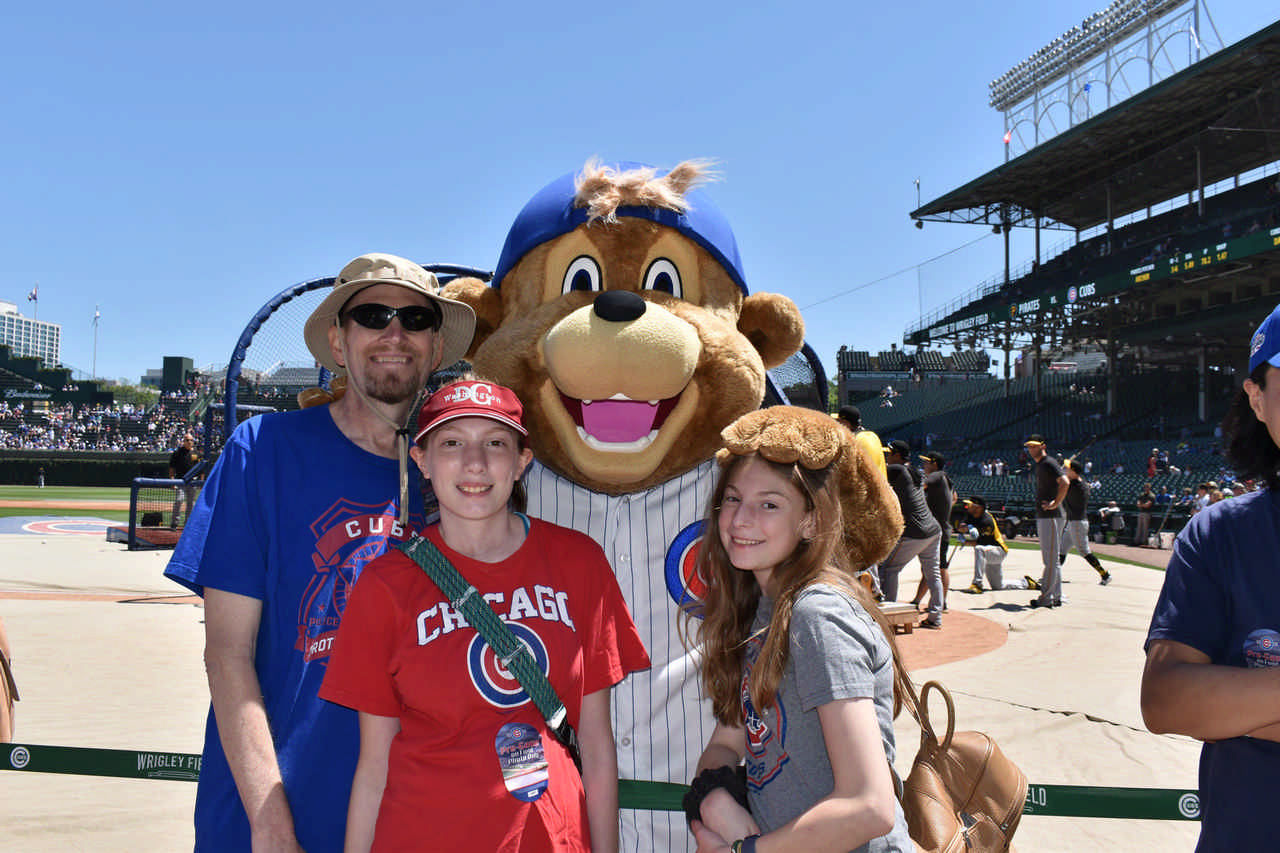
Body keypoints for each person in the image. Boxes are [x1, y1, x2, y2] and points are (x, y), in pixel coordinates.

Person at [163, 253, 476, 852]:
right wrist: (271, 820)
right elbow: (228, 653)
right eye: (372, 315)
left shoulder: (461, 479)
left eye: (413, 318)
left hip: (411, 822)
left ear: (436, 349)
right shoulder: (263, 451)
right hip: (271, 823)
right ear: (338, 342)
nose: (394, 333)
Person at [320, 380, 650, 852]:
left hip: (551, 837)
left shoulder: (579, 562)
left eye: (495, 443)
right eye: (452, 443)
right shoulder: (386, 584)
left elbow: (596, 745)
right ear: (422, 462)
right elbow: (374, 766)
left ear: (521, 462)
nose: (475, 463)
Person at [684, 416, 916, 852]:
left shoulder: (817, 614)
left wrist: (747, 850)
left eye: (769, 504)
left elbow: (870, 806)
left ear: (811, 522)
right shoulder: (760, 610)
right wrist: (714, 795)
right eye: (733, 499)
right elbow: (727, 741)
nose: (740, 519)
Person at [1141, 302, 1280, 851]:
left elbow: (1201, 700)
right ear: (1257, 397)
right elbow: (1167, 700)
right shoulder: (1219, 535)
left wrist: (1242, 706)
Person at [879, 440, 943, 628]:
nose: (886, 458)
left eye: (889, 454)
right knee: (933, 574)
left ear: (897, 455)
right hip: (933, 529)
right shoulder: (912, 470)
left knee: (889, 569)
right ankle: (935, 618)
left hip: (916, 531)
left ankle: (888, 618)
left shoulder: (897, 470)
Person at [1024, 434, 1069, 609]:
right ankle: (1056, 596)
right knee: (1053, 560)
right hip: (1048, 515)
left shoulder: (1048, 463)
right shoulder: (1042, 464)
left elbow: (1065, 482)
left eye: (1034, 446)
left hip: (1051, 515)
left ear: (1043, 446)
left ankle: (1046, 598)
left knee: (1050, 560)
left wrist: (1055, 503)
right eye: (1029, 447)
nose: (1031, 449)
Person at [910, 450, 954, 610]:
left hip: (939, 529)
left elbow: (921, 485)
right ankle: (918, 600)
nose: (924, 464)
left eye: (926, 462)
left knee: (939, 568)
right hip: (941, 527)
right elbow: (954, 498)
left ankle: (941, 603)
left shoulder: (937, 475)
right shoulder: (945, 478)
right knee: (931, 568)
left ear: (934, 464)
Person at [958, 497, 1032, 592]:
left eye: (971, 505)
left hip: (998, 551)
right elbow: (961, 526)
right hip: (988, 552)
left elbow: (980, 542)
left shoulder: (987, 521)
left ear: (979, 507)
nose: (968, 507)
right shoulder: (972, 515)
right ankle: (1026, 583)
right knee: (998, 586)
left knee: (979, 549)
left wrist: (965, 541)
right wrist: (965, 528)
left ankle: (977, 584)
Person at [1058, 461, 1112, 585]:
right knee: (1062, 549)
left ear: (1073, 472)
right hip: (1073, 522)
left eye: (1068, 468)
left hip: (1077, 523)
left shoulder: (1076, 485)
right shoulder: (1078, 482)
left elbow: (1059, 483)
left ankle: (1105, 574)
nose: (1065, 469)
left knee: (1084, 551)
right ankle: (1054, 574)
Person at [168, 432, 199, 529]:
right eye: (187, 440)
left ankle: (188, 524)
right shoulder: (177, 453)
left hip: (192, 482)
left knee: (190, 503)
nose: (189, 442)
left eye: (191, 440)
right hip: (180, 481)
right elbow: (172, 467)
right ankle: (174, 523)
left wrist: (200, 482)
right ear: (183, 441)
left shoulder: (196, 453)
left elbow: (201, 469)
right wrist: (172, 480)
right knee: (179, 500)